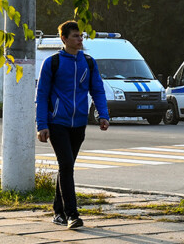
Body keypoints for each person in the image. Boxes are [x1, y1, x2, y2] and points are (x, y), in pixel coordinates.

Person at [36, 21, 110, 229]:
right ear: (64, 39)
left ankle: (58, 211)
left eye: (81, 36)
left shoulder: (89, 62)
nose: (80, 39)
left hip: (79, 124)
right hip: (57, 122)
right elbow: (41, 96)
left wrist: (103, 115)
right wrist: (42, 124)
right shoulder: (52, 63)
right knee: (67, 165)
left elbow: (98, 90)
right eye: (76, 36)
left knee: (66, 167)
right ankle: (72, 215)